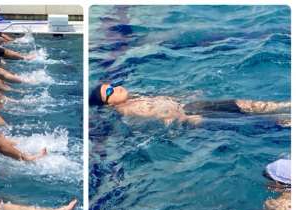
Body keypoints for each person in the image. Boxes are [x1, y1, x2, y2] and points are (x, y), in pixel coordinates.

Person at [89, 83, 290, 125]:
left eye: (112, 86)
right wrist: (184, 117)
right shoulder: (128, 110)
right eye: (109, 92)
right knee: (243, 120)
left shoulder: (134, 98)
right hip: (192, 117)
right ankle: (285, 120)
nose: (115, 88)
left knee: (239, 104)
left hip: (190, 106)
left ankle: (285, 104)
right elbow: (164, 116)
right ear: (108, 104)